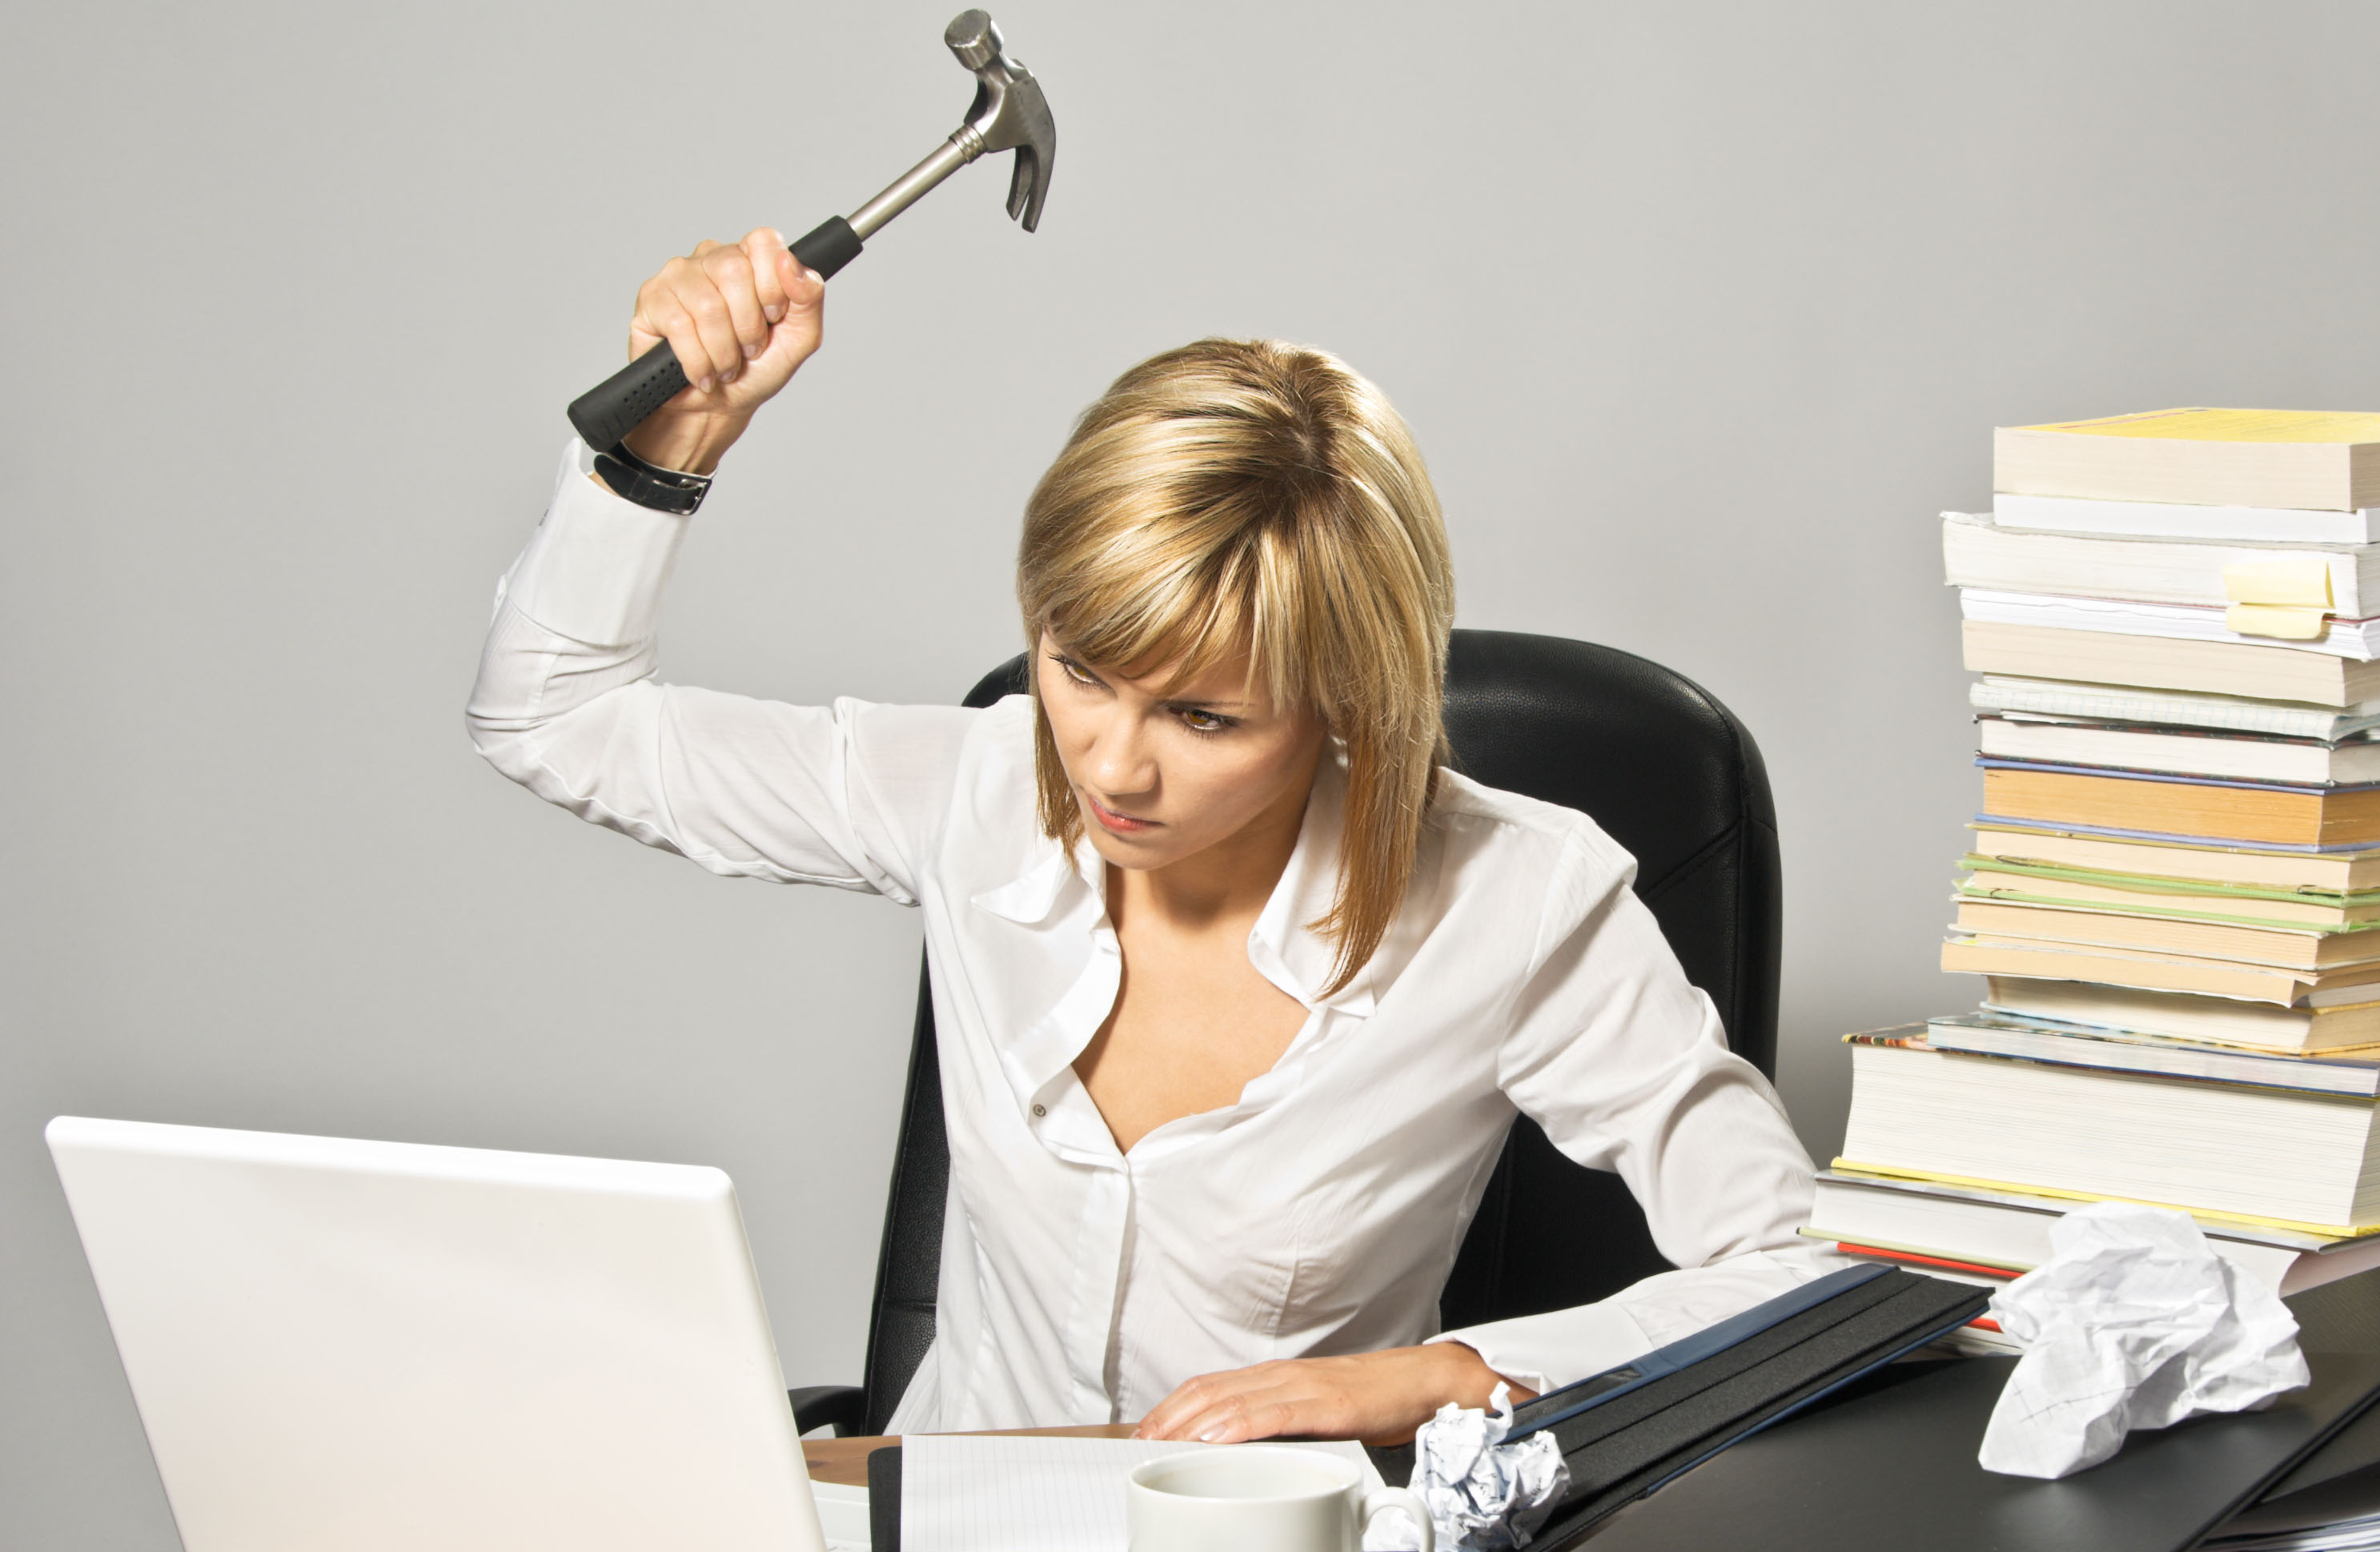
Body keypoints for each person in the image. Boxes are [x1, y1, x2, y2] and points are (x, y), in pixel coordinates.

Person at [468, 228, 1837, 1445]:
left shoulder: (1519, 897)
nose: (1110, 764)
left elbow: (1803, 1272)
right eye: (1076, 668)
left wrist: (1436, 1376)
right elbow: (549, 720)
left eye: (1203, 714)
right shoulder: (976, 784)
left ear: (1345, 696)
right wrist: (667, 449)